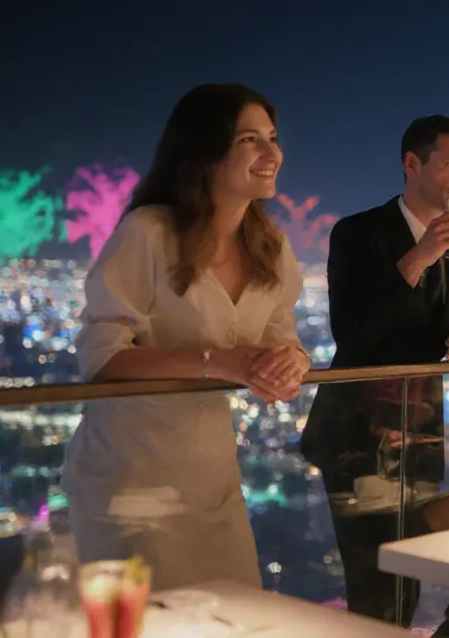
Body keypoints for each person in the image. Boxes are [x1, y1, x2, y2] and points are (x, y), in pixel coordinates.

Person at [63, 84, 309, 589]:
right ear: (205, 151)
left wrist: (291, 364)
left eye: (272, 137)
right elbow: (101, 358)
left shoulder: (272, 249)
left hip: (214, 476)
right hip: (129, 478)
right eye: (249, 139)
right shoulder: (149, 234)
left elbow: (283, 337)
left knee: (235, 613)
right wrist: (218, 362)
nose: (271, 153)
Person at [299, 115, 449, 629]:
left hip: (419, 430)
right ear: (411, 165)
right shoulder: (359, 233)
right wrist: (420, 256)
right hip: (356, 431)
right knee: (375, 590)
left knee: (411, 585)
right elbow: (353, 334)